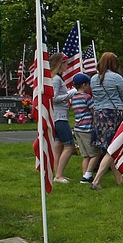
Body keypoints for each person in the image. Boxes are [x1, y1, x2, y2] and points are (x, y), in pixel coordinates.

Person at [88, 52, 123, 190]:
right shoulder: (116, 78)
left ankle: (118, 178)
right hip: (113, 113)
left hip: (99, 114)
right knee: (113, 148)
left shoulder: (93, 78)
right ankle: (96, 180)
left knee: (107, 147)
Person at [48, 53, 76, 183]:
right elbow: (53, 98)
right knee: (69, 146)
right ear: (60, 64)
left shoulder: (56, 78)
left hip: (57, 116)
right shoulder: (56, 79)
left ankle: (57, 173)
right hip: (60, 117)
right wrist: (70, 94)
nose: (67, 66)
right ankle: (59, 175)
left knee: (58, 145)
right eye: (65, 63)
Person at [69, 74, 98, 184]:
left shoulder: (74, 98)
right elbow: (93, 111)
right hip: (87, 129)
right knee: (95, 153)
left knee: (85, 155)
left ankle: (85, 174)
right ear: (84, 85)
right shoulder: (86, 97)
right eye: (88, 85)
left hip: (78, 128)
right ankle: (87, 176)